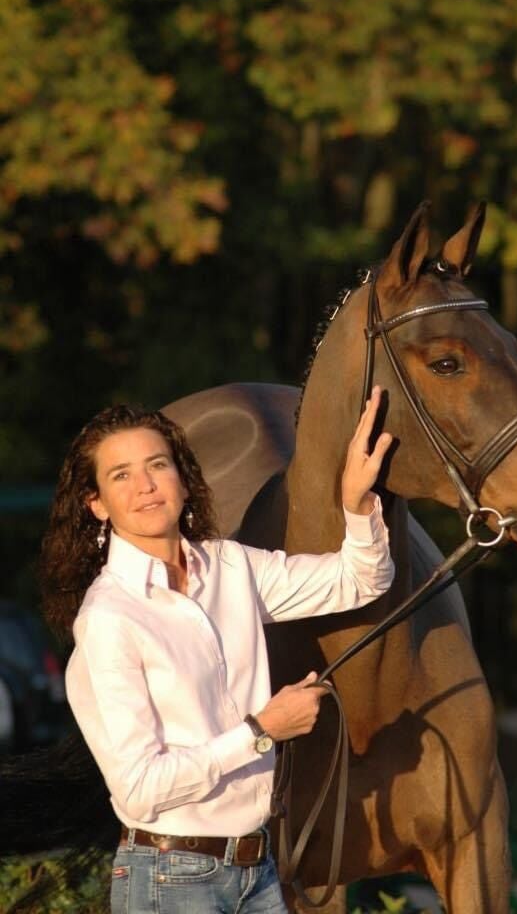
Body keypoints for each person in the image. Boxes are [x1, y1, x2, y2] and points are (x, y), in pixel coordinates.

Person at [40, 385, 394, 914]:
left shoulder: (232, 567)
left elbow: (361, 581)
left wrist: (357, 503)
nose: (145, 485)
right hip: (169, 878)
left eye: (157, 464)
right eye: (121, 475)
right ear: (97, 504)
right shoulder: (110, 618)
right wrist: (260, 732)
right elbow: (139, 788)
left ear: (182, 479)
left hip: (258, 870)